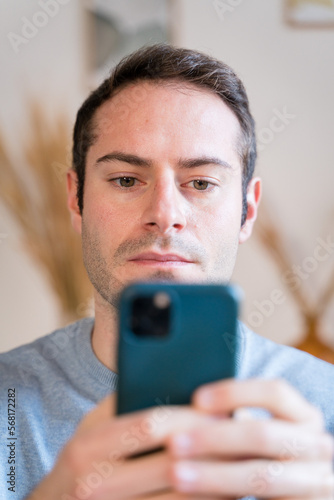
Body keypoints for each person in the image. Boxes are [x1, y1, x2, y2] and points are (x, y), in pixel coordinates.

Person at [1, 44, 333, 500]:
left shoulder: (325, 408)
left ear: (247, 208)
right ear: (76, 200)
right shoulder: (8, 399)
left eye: (200, 183)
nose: (164, 214)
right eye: (125, 180)